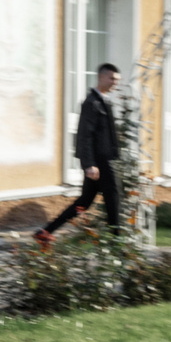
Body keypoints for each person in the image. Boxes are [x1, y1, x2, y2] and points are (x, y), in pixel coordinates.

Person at [38, 63, 124, 239]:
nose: (115, 83)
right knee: (113, 202)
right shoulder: (91, 103)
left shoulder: (103, 101)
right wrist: (89, 164)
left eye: (117, 80)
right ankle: (118, 245)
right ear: (101, 77)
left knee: (84, 202)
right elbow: (85, 136)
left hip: (102, 162)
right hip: (100, 163)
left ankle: (46, 232)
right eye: (112, 78)